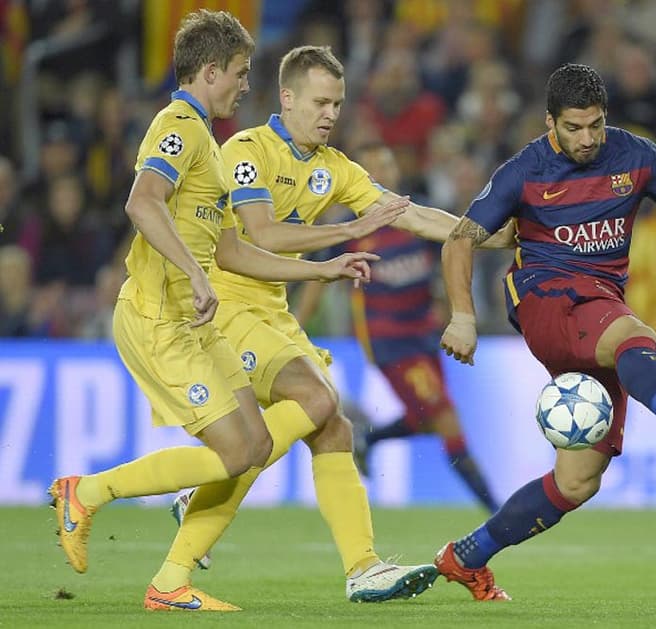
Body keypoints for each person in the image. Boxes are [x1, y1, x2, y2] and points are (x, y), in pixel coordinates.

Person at [47, 10, 384, 612]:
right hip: (158, 318)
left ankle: (170, 585)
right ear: (209, 71)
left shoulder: (208, 142)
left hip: (194, 321)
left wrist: (323, 269)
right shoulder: (176, 124)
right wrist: (195, 273)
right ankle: (87, 492)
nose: (244, 85)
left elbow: (232, 249)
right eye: (239, 73)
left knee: (254, 446)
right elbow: (142, 202)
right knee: (240, 449)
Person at [164, 45, 513, 604]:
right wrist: (349, 234)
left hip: (268, 309)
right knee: (318, 398)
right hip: (221, 303)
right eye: (320, 102)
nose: (331, 113)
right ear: (288, 98)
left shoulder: (335, 169)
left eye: (339, 103)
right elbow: (264, 235)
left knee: (336, 429)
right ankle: (199, 490)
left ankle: (362, 568)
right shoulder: (248, 151)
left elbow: (416, 215)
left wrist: (496, 233)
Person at [435, 63, 656, 601]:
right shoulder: (524, 169)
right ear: (549, 122)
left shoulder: (636, 155)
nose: (586, 139)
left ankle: (466, 556)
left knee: (578, 482)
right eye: (573, 128)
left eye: (596, 126)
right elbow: (459, 239)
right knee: (634, 333)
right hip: (545, 297)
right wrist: (462, 316)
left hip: (599, 310)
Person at [295, 142, 499, 513]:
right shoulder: (354, 226)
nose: (381, 174)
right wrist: (294, 325)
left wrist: (448, 304)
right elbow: (317, 277)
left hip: (425, 333)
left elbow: (445, 259)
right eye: (372, 169)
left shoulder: (415, 216)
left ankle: (369, 439)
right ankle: (498, 513)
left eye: (386, 164)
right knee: (445, 419)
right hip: (388, 339)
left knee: (425, 420)